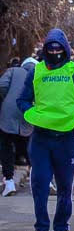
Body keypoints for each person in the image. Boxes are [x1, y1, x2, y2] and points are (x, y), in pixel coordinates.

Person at [17, 29, 74, 231]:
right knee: (40, 184)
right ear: (45, 50)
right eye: (50, 49)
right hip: (41, 138)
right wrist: (31, 115)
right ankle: (41, 228)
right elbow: (22, 100)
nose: (54, 53)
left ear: (65, 50)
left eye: (58, 49)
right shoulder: (36, 72)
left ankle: (62, 227)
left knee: (64, 186)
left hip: (66, 138)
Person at [0, 57, 37, 196]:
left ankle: (9, 182)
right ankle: (40, 180)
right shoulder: (39, 75)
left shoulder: (13, 71)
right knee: (29, 148)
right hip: (27, 114)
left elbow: (2, 85)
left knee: (6, 146)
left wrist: (8, 98)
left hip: (8, 115)